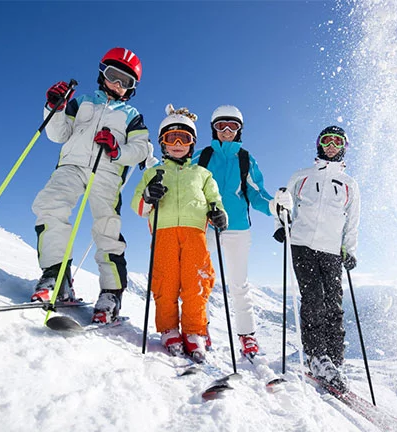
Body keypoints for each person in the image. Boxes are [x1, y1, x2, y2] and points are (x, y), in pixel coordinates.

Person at [30, 48, 150, 309]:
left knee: (106, 228)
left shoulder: (132, 116)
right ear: (101, 74)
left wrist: (117, 151)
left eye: (125, 81)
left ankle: (111, 294)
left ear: (132, 88)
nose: (117, 85)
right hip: (71, 165)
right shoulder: (82, 101)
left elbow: (141, 149)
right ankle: (55, 275)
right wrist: (55, 107)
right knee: (50, 205)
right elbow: (58, 134)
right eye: (113, 75)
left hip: (107, 172)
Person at [129, 105, 229, 361]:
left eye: (183, 139)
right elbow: (138, 206)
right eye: (170, 138)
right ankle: (169, 330)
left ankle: (195, 332)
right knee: (165, 283)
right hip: (163, 234)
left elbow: (215, 200)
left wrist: (218, 213)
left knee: (196, 282)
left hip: (195, 234)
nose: (176, 144)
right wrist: (149, 197)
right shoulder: (153, 173)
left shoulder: (202, 174)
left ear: (192, 143)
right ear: (162, 143)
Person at [273, 125, 360, 394]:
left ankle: (335, 359)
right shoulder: (302, 176)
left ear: (344, 146)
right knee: (312, 299)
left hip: (332, 250)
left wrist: (350, 249)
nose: (331, 145)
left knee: (334, 303)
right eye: (327, 140)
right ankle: (316, 356)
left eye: (337, 141)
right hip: (302, 244)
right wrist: (281, 222)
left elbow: (353, 221)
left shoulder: (349, 184)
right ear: (319, 145)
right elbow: (284, 204)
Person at [193, 105, 274, 360]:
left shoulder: (245, 159)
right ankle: (199, 327)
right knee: (201, 279)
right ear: (213, 129)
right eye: (221, 126)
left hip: (237, 228)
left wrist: (275, 206)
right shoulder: (203, 156)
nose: (226, 131)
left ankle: (247, 336)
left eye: (233, 126)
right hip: (207, 225)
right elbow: (185, 181)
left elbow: (256, 193)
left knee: (239, 284)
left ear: (240, 130)